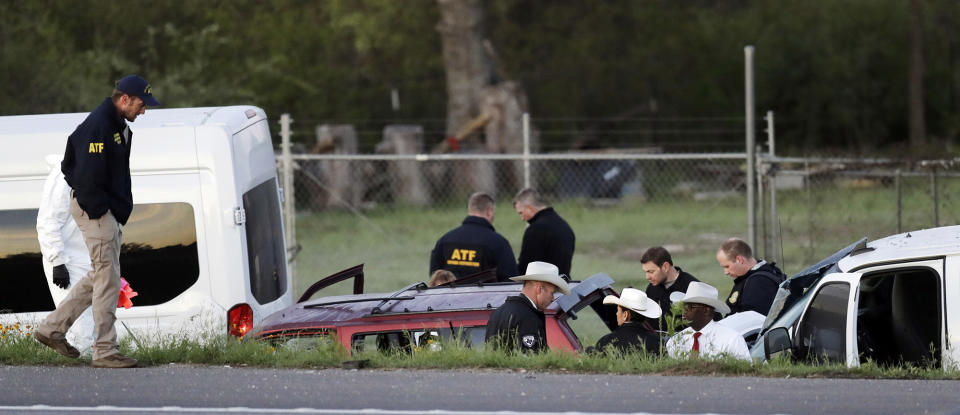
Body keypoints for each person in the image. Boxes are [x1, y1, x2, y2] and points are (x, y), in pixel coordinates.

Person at [34, 74, 159, 368]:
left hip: (104, 211)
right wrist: (101, 211)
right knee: (108, 280)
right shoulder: (100, 125)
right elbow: (85, 175)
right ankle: (105, 349)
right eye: (141, 104)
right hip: (97, 212)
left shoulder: (112, 125)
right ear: (124, 99)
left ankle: (51, 328)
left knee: (99, 276)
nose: (144, 110)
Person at [35, 155, 97, 356]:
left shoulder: (95, 170)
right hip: (68, 262)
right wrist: (57, 261)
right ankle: (83, 375)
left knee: (97, 323)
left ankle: (94, 372)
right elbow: (48, 221)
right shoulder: (63, 177)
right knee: (81, 328)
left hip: (90, 260)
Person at [430, 192, 518, 282]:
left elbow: (434, 279)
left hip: (448, 296)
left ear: (470, 210)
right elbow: (510, 281)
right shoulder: (498, 243)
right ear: (489, 211)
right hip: (486, 296)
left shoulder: (444, 241)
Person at [484, 261, 571, 353]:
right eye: (552, 293)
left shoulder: (499, 312)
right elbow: (532, 360)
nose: (553, 299)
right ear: (539, 289)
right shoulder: (528, 318)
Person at [666, 282, 750, 361]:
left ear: (706, 310)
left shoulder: (731, 339)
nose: (685, 311)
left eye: (691, 307)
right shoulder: (676, 340)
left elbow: (745, 372)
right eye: (683, 306)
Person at [513, 188, 575, 277]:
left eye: (521, 213)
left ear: (529, 207)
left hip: (542, 287)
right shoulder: (565, 226)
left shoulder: (535, 230)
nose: (522, 218)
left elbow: (525, 268)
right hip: (564, 284)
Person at [715, 238, 786, 316]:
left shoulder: (759, 282)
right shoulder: (754, 276)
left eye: (727, 266)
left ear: (739, 260)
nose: (726, 272)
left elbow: (752, 321)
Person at [641, 246, 700, 331]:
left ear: (665, 267)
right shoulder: (652, 288)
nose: (647, 277)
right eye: (646, 272)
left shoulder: (693, 287)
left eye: (651, 272)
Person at [591, 288, 662, 355]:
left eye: (618, 310)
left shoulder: (605, 342)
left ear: (625, 314)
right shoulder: (658, 342)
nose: (616, 313)